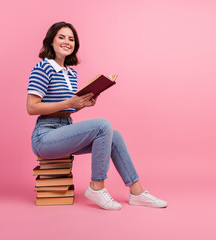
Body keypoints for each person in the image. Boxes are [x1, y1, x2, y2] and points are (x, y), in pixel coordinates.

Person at [26, 22, 167, 210]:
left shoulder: (71, 74)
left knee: (114, 136)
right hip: (45, 136)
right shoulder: (43, 68)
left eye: (71, 39)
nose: (67, 42)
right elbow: (32, 107)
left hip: (65, 128)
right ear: (51, 41)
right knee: (103, 125)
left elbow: (67, 109)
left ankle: (137, 192)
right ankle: (96, 186)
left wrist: (83, 104)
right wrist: (69, 103)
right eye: (61, 37)